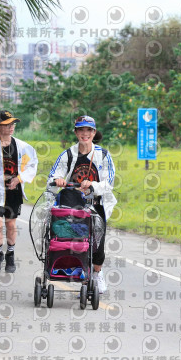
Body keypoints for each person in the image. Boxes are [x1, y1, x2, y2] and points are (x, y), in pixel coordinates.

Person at [47, 115, 116, 294]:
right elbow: (52, 177)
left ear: (94, 132)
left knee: (98, 244)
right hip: (71, 205)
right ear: (76, 132)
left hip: (95, 204)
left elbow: (109, 183)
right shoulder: (68, 154)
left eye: (88, 130)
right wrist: (58, 180)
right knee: (71, 240)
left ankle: (97, 273)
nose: (85, 134)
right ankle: (73, 269)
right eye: (81, 130)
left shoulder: (103, 155)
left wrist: (92, 185)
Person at [0, 110, 38, 273]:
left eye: (12, 124)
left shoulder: (23, 146)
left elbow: (33, 164)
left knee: (10, 224)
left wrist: (20, 178)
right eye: (7, 124)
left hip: (14, 192)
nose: (11, 127)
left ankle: (10, 254)